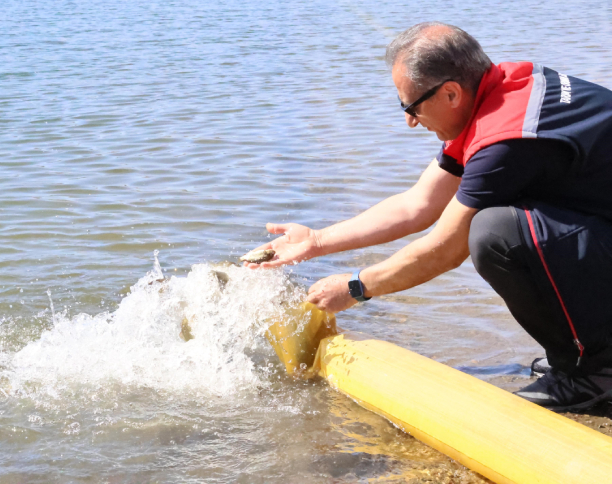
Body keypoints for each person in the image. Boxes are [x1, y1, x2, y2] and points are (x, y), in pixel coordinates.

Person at [245, 22, 612, 412]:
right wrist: (316, 241)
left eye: (411, 106)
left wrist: (355, 287)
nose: (410, 121)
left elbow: (444, 250)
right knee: (507, 223)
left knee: (496, 233)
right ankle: (583, 355)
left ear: (451, 92)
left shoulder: (505, 138)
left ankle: (593, 373)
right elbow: (417, 204)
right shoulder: (500, 92)